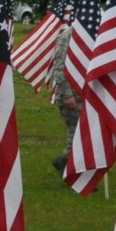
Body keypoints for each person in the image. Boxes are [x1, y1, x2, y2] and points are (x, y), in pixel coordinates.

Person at [48, 21, 80, 177]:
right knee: (77, 132)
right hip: (71, 95)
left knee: (79, 134)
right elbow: (60, 69)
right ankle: (67, 163)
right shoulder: (67, 37)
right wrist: (67, 95)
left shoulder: (90, 36)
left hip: (84, 94)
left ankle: (72, 167)